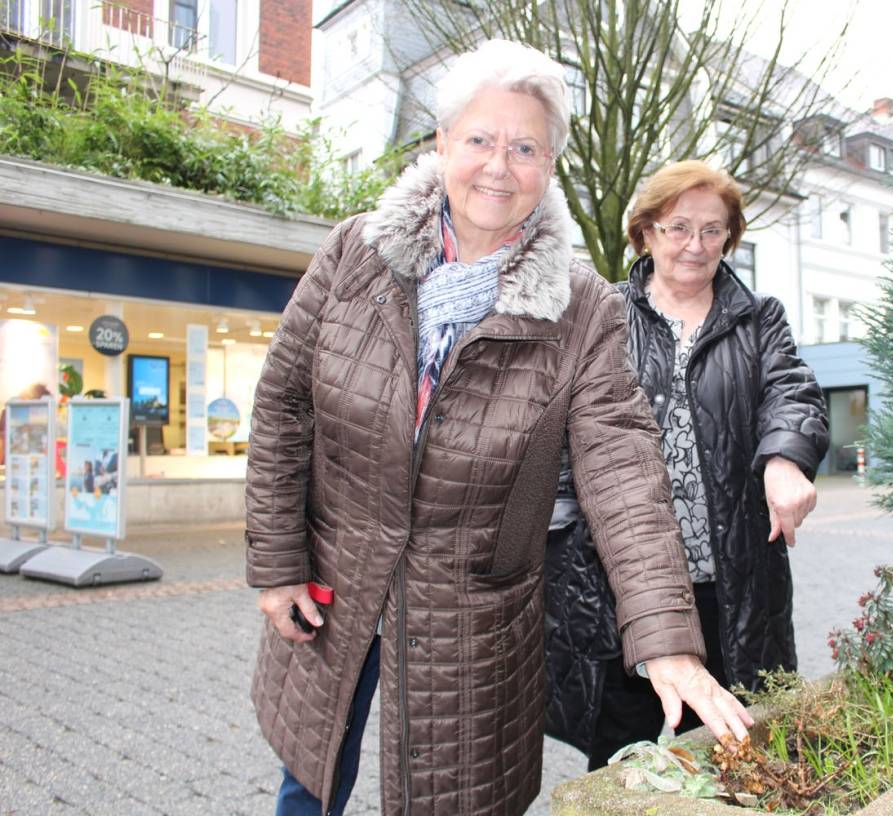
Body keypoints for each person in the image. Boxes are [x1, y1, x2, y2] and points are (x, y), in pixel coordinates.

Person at [244, 41, 752, 816]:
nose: (497, 165)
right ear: (441, 143)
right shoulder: (355, 251)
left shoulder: (584, 308)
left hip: (473, 616)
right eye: (479, 139)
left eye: (525, 147)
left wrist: (665, 640)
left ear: (549, 165)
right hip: (334, 580)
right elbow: (283, 405)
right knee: (312, 779)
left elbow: (622, 471)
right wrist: (278, 561)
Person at [544, 160, 829, 770]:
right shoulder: (604, 314)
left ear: (730, 237)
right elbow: (563, 428)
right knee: (625, 762)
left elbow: (793, 391)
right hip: (623, 584)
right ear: (645, 232)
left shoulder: (759, 319)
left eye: (712, 230)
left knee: (740, 751)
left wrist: (785, 457)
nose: (695, 246)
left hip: (733, 583)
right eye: (678, 228)